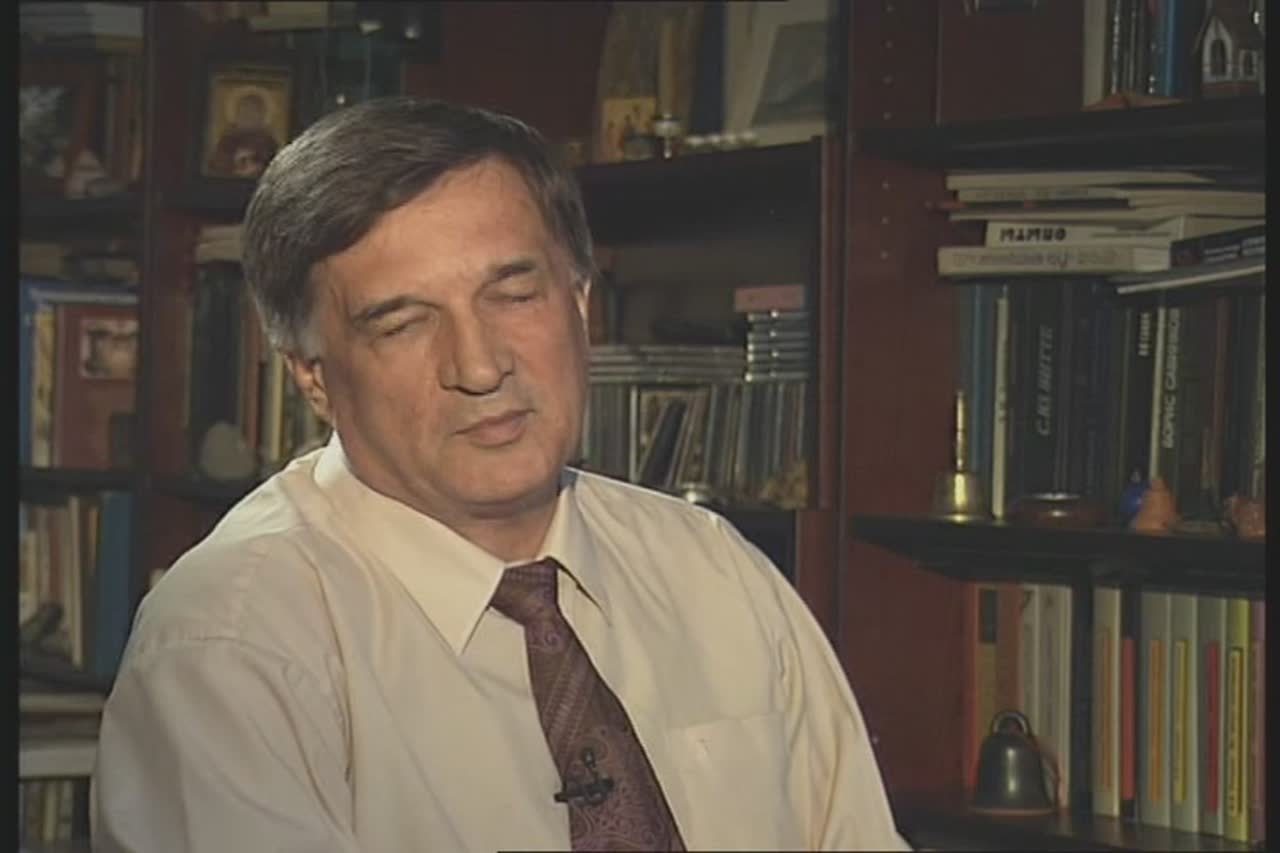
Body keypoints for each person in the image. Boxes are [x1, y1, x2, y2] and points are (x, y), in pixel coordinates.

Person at [91, 96, 909, 852]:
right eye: (404, 323)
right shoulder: (231, 647)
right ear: (313, 377)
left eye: (515, 295)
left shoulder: (715, 569)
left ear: (580, 304)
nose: (480, 367)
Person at [205, 88, 279, 179]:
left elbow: (274, 167)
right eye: (244, 111)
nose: (249, 115)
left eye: (254, 111)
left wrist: (257, 167)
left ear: (262, 115)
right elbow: (216, 166)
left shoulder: (268, 142)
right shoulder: (227, 140)